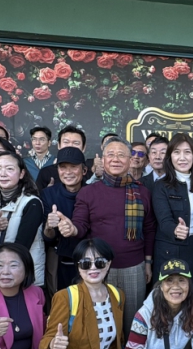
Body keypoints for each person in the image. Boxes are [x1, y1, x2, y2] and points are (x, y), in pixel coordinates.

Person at [64, 136, 157, 335]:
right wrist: (71, 229)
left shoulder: (143, 192)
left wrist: (148, 262)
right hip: (98, 267)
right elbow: (80, 225)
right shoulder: (89, 192)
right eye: (110, 155)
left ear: (131, 160)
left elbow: (149, 228)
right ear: (102, 159)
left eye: (121, 155)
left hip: (134, 266)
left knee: (134, 323)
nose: (115, 159)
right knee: (101, 323)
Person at [39, 238, 125, 349]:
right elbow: (47, 339)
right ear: (78, 266)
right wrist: (53, 344)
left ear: (108, 265)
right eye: (86, 263)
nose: (93, 268)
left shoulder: (117, 295)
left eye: (99, 262)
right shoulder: (66, 296)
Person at [152, 133, 193, 300]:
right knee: (170, 303)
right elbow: (163, 221)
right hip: (170, 251)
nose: (182, 157)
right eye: (177, 152)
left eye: (187, 152)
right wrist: (175, 229)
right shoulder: (161, 186)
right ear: (170, 157)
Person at [0, 152, 45, 287]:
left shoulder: (32, 203)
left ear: (22, 173)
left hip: (25, 276)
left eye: (9, 169)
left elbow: (21, 247)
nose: (3, 174)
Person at [41, 148, 86, 292]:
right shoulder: (48, 194)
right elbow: (47, 238)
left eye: (73, 167)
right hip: (59, 258)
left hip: (88, 258)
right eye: (63, 167)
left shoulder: (93, 192)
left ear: (84, 170)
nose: (68, 172)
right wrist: (49, 226)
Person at [35, 125, 94, 191]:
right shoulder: (46, 173)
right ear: (59, 145)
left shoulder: (91, 174)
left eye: (76, 143)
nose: (70, 146)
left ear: (83, 148)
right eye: (66, 142)